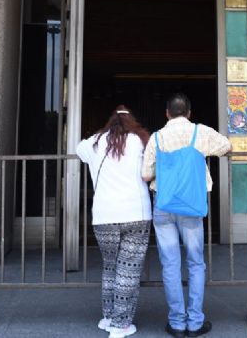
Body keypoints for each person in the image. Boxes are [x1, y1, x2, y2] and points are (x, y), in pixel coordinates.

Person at [142, 93, 231, 338]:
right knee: (195, 262)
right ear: (189, 113)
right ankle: (195, 322)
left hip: (164, 204)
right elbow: (226, 145)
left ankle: (177, 323)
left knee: (169, 263)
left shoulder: (157, 137)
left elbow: (146, 174)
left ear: (167, 113)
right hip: (191, 205)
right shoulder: (199, 132)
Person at [76, 106, 152, 338]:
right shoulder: (140, 140)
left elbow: (80, 148)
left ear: (111, 122)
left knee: (110, 266)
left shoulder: (96, 142)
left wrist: (101, 133)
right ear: (132, 122)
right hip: (135, 213)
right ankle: (121, 325)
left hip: (104, 216)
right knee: (128, 270)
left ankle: (108, 316)